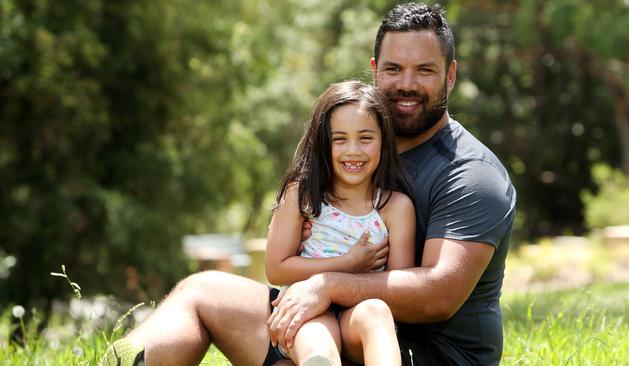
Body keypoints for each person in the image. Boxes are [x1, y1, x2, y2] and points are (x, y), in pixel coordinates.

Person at [100, 2, 516, 366]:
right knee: (201, 290)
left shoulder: (470, 173)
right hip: (331, 335)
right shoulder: (357, 155)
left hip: (416, 352)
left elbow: (438, 295)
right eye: (393, 69)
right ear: (374, 72)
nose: (406, 84)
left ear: (450, 76)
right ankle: (128, 358)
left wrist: (328, 283)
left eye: (424, 70)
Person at [264, 80, 415, 365]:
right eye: (340, 139)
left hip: (358, 315)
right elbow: (276, 269)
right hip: (308, 310)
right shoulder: (303, 194)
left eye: (366, 138)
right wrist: (347, 264)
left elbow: (399, 289)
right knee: (318, 342)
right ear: (322, 142)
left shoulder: (395, 208)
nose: (353, 150)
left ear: (384, 141)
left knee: (377, 312)